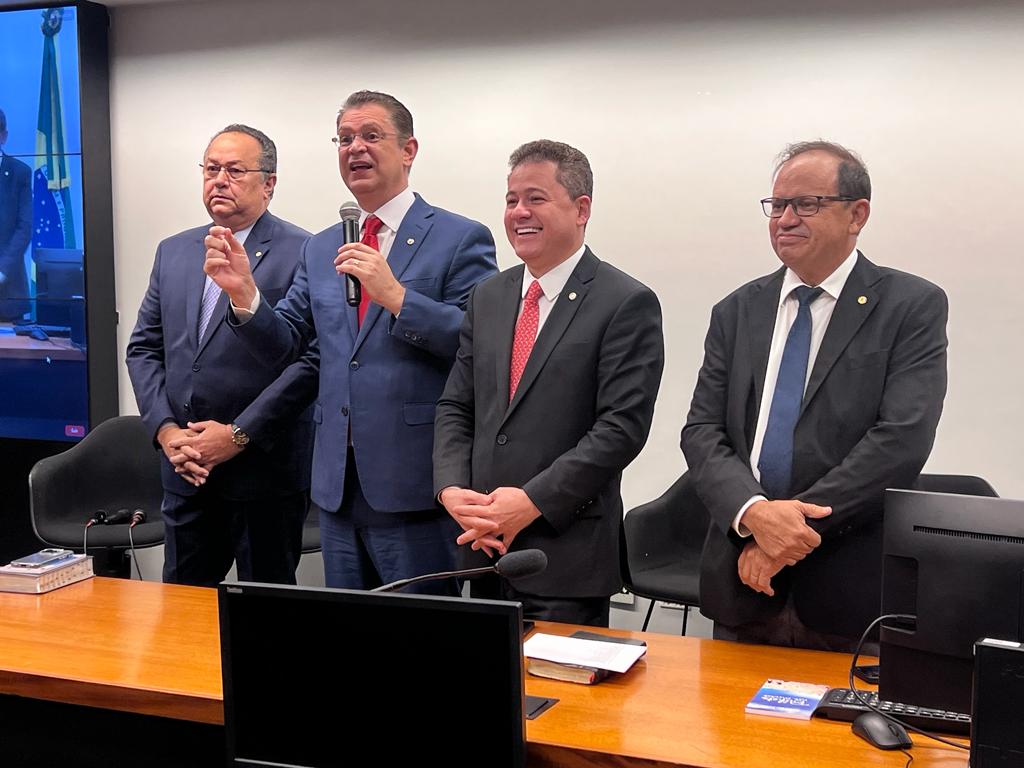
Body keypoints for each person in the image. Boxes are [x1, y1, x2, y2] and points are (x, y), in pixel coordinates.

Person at [203, 91, 496, 593]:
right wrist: (246, 295)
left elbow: (480, 347)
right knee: (348, 648)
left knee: (419, 646)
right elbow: (290, 345)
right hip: (336, 484)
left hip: (414, 485)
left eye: (370, 136)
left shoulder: (459, 237)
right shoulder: (322, 247)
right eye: (344, 139)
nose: (354, 148)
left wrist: (399, 298)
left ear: (409, 150)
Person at [682, 141, 948, 650]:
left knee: (837, 730)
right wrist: (755, 514)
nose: (784, 219)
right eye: (776, 205)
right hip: (742, 579)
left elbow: (901, 439)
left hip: (846, 588)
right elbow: (702, 432)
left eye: (805, 204)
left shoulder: (910, 306)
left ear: (857, 214)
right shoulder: (737, 311)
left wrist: (786, 537)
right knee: (727, 728)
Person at [433, 140, 664, 626]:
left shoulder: (625, 301)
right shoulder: (489, 296)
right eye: (511, 199)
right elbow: (457, 404)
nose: (520, 212)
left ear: (581, 209)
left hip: (565, 555)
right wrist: (452, 488)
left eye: (535, 198)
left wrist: (532, 501)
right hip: (482, 546)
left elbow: (620, 429)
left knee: (564, 700)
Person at [127, 124, 314, 586]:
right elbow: (145, 348)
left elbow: (310, 362)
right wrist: (167, 432)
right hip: (185, 470)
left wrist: (237, 436)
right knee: (182, 615)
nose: (219, 180)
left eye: (235, 170)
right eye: (211, 169)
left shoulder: (304, 250)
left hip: (262, 472)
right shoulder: (173, 251)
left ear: (269, 183)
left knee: (264, 620)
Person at [0, 108, 32, 323]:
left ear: (3, 136)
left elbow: (25, 226)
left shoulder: (20, 172)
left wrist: (2, 270)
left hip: (8, 290)